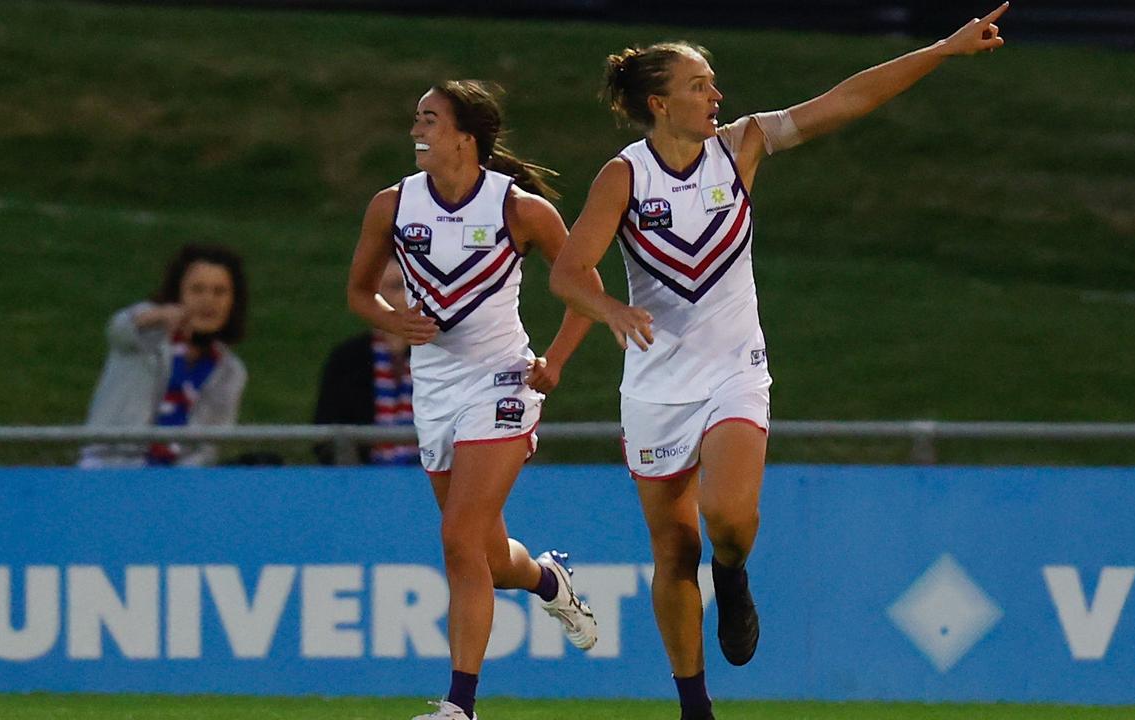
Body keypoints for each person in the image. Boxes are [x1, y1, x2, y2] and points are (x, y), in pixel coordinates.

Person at [549, 7, 1008, 718]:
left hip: (735, 368)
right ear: (659, 103)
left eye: (715, 85)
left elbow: (847, 99)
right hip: (654, 384)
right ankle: (694, 706)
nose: (716, 97)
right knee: (673, 552)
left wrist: (944, 49)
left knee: (727, 519)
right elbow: (569, 272)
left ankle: (731, 575)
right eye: (700, 86)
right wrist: (609, 309)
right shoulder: (624, 177)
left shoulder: (744, 147)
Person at [346, 80, 604, 720]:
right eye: (417, 119)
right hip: (433, 389)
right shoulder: (391, 206)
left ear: (466, 135)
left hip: (503, 381)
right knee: (485, 553)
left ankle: (459, 706)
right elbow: (357, 293)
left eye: (429, 119)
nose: (417, 130)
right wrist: (392, 321)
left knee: (458, 537)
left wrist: (556, 362)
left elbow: (585, 287)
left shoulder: (521, 210)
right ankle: (547, 580)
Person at [80, 243, 249, 468]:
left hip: (174, 484)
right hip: (111, 469)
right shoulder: (146, 336)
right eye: (197, 289)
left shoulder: (230, 371)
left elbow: (208, 444)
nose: (208, 301)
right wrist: (158, 316)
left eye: (220, 292)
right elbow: (120, 327)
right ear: (178, 293)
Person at [313, 260, 419, 465]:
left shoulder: (441, 355)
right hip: (362, 478)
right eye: (396, 287)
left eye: (406, 287)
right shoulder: (348, 359)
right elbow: (325, 430)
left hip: (427, 476)